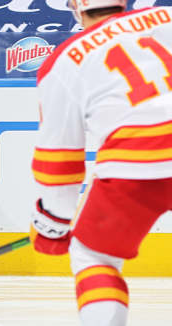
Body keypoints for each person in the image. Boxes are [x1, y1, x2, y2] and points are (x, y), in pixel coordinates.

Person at [30, 1, 172, 325]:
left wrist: (53, 223)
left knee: (93, 256)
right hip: (136, 163)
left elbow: (59, 160)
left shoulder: (64, 60)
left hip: (133, 167)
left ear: (77, 7)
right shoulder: (167, 17)